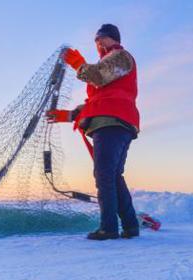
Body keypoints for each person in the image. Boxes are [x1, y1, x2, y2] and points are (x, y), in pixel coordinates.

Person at [47, 24, 141, 240]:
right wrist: (69, 115)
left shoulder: (121, 56)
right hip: (114, 121)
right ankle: (130, 226)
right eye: (97, 40)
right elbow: (98, 100)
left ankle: (108, 228)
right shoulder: (108, 63)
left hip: (112, 122)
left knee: (104, 175)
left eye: (103, 38)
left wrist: (78, 63)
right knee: (113, 175)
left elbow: (97, 76)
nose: (99, 43)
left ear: (114, 39)